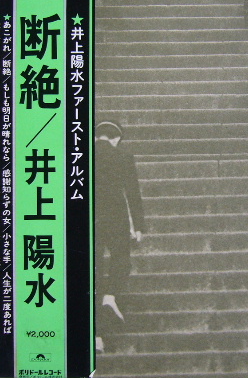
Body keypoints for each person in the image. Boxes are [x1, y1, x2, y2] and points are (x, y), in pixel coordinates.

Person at [95, 121, 145, 352]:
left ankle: (96, 336)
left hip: (88, 219)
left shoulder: (80, 156)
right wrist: (139, 226)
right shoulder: (123, 155)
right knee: (121, 260)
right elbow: (132, 192)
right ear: (116, 139)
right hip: (116, 217)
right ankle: (110, 295)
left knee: (92, 272)